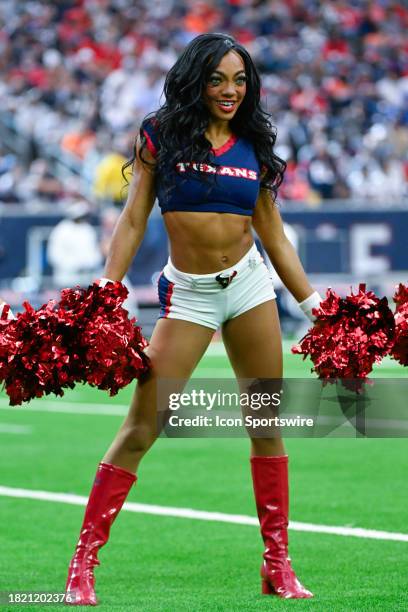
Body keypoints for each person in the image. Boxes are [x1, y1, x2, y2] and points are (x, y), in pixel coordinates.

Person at [65, 33, 322, 605]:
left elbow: (272, 234)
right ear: (196, 80)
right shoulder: (162, 133)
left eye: (239, 80)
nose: (230, 91)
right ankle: (82, 564)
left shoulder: (254, 140)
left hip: (251, 288)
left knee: (266, 425)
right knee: (141, 426)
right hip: (191, 295)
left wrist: (313, 307)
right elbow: (134, 220)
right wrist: (106, 291)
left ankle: (277, 565)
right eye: (217, 79)